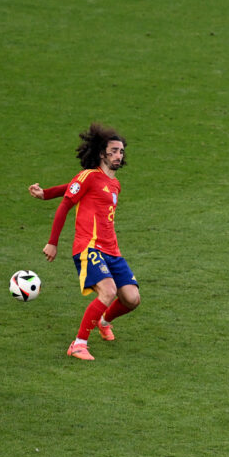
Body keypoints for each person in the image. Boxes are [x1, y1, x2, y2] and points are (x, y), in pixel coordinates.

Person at [29, 123, 140, 361]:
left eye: (121, 151)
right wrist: (52, 242)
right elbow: (66, 203)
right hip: (88, 247)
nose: (118, 155)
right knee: (108, 291)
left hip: (112, 250)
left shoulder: (115, 184)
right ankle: (78, 344)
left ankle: (103, 320)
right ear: (102, 153)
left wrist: (45, 192)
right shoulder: (90, 176)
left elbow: (69, 188)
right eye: (113, 151)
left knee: (132, 299)